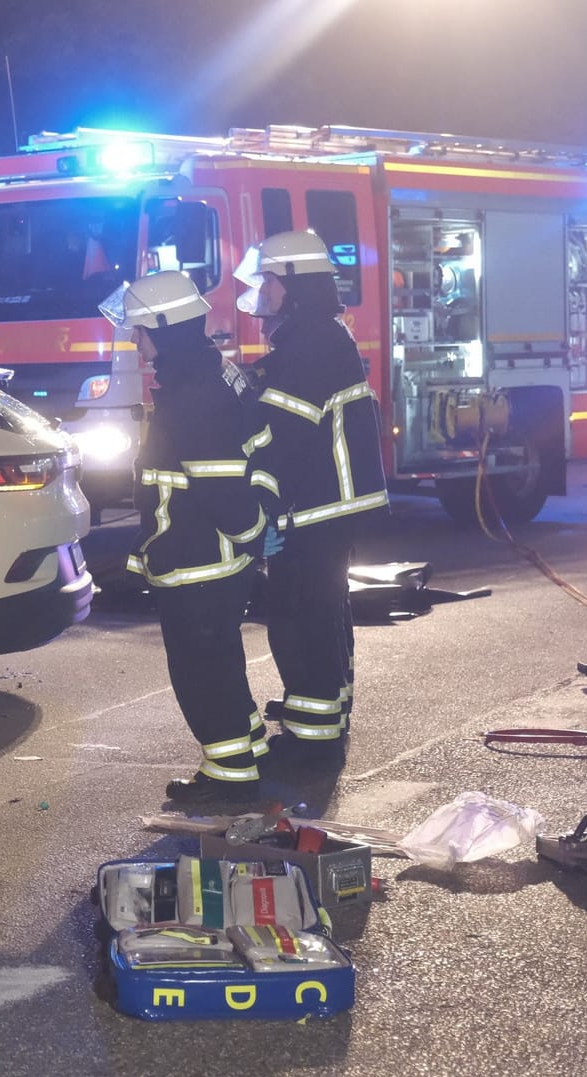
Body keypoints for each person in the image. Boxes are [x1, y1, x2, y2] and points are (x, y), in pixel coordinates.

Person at [104, 272, 272, 804]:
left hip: (198, 557)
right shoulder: (210, 371)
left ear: (165, 328)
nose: (135, 340)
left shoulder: (191, 391)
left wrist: (249, 536)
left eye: (140, 331)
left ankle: (228, 775)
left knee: (200, 666)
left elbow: (218, 484)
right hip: (213, 558)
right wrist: (251, 542)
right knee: (220, 656)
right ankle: (246, 745)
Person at [236, 231, 388, 768]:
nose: (264, 295)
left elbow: (286, 437)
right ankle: (322, 718)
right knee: (325, 613)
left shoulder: (308, 345)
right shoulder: (318, 338)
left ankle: (311, 743)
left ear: (293, 286)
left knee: (302, 617)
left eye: (271, 283)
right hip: (331, 506)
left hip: (317, 507)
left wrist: (265, 505)